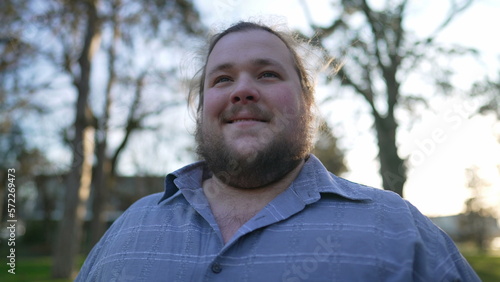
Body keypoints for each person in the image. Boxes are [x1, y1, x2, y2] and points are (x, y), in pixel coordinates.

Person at [76, 21, 480, 281]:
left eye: (267, 74)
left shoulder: (399, 229)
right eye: (222, 79)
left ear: (307, 102)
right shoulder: (126, 229)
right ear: (202, 110)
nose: (242, 90)